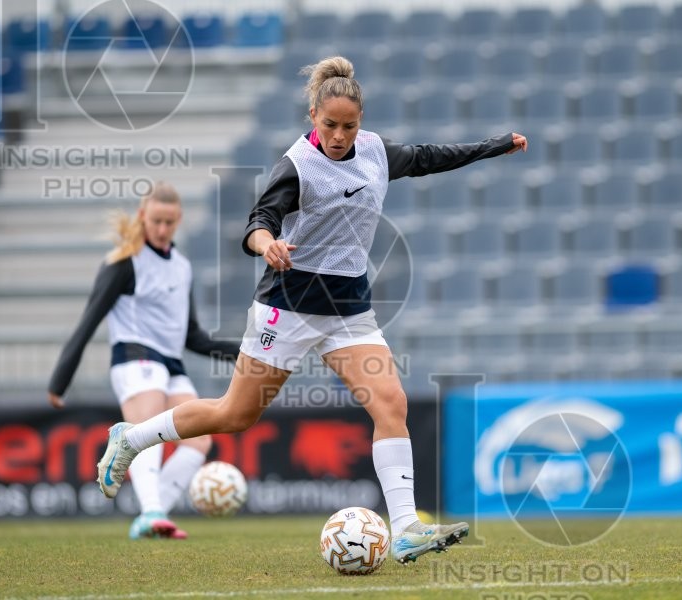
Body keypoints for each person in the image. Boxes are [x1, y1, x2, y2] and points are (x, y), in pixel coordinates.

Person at [95, 57, 527, 563]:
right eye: (331, 125)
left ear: (360, 122)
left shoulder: (376, 152)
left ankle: (406, 527)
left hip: (349, 309)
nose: (340, 135)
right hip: (289, 305)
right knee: (235, 415)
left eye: (350, 125)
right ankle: (133, 437)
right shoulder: (297, 165)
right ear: (312, 117)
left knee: (391, 404)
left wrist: (497, 145)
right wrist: (266, 244)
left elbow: (433, 156)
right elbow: (260, 219)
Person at [48, 180, 240, 540]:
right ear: (142, 216)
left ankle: (154, 517)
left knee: (200, 441)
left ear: (179, 219)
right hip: (135, 359)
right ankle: (151, 512)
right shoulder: (124, 262)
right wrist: (60, 380)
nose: (163, 229)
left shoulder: (181, 267)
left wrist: (241, 354)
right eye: (156, 222)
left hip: (171, 364)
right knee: (148, 431)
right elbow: (88, 321)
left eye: (169, 222)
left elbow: (191, 336)